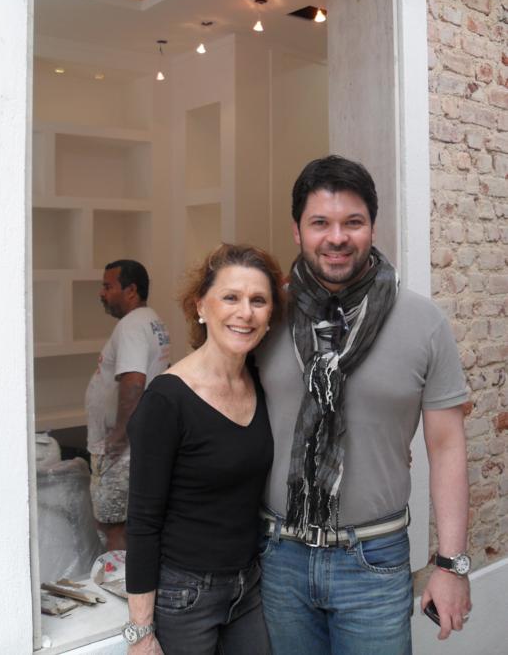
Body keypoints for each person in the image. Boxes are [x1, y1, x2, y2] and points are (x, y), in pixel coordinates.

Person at [254, 155, 472, 655]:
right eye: (320, 223)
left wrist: (451, 563)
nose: (337, 237)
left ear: (373, 227)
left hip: (373, 559)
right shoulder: (264, 316)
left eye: (352, 222)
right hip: (279, 557)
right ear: (297, 230)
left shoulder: (423, 322)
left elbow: (446, 447)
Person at [123, 244, 284, 655]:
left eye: (258, 301)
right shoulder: (166, 400)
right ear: (200, 306)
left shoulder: (261, 383)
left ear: (270, 316)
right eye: (230, 297)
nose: (245, 312)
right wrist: (140, 632)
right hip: (184, 595)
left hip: (249, 586)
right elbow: (142, 521)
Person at [85, 259, 170, 551]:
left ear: (131, 290)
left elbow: (134, 381)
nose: (102, 293)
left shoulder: (131, 325)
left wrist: (118, 437)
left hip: (122, 451)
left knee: (114, 527)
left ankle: (118, 580)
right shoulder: (151, 320)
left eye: (108, 286)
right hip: (139, 445)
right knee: (129, 523)